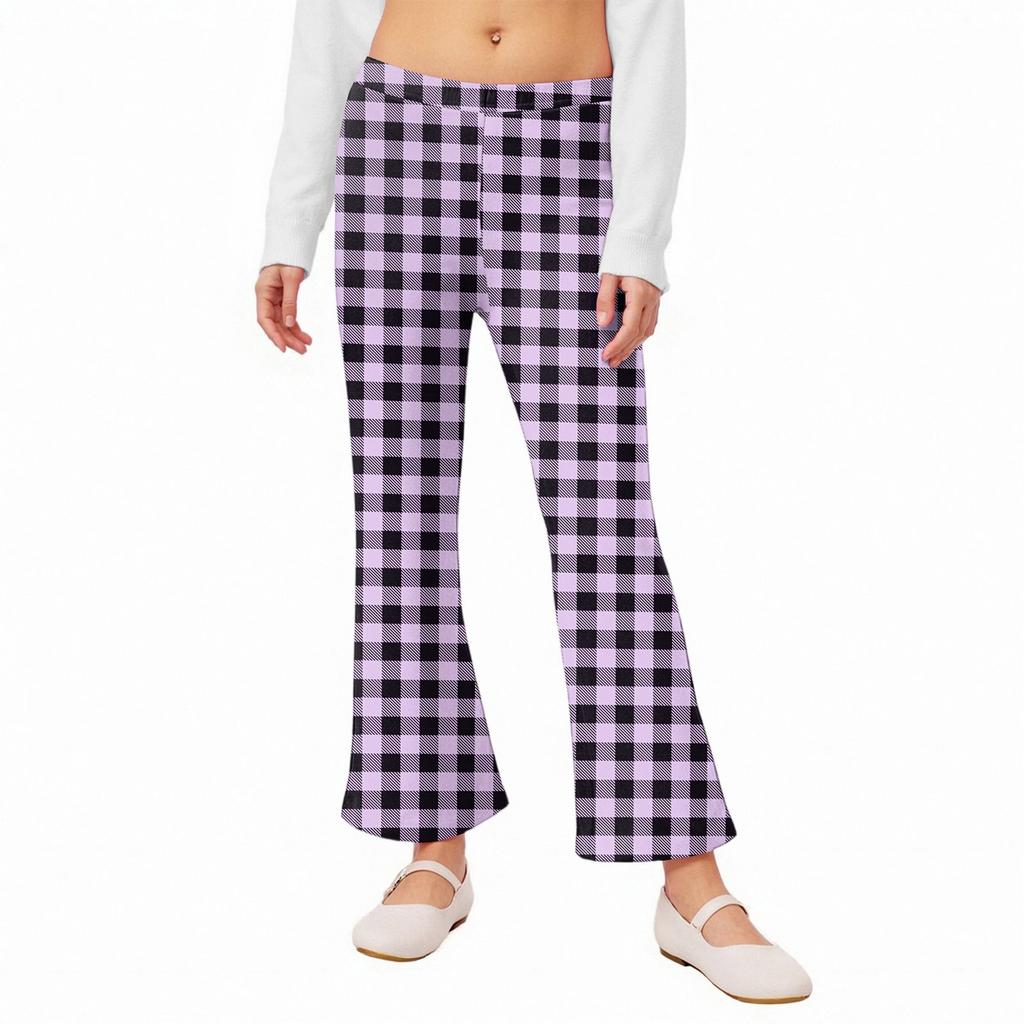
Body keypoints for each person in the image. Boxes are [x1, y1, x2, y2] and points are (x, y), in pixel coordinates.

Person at [256, 0, 810, 1004]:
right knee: (401, 517)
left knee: (606, 526)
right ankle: (434, 847)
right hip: (393, 142)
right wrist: (290, 223)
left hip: (569, 143)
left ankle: (690, 881)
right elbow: (325, 24)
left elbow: (649, 27)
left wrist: (639, 233)